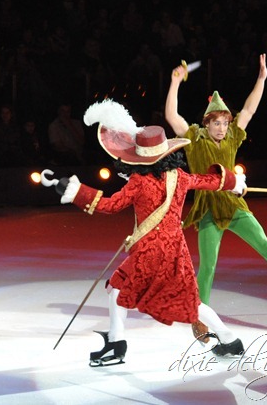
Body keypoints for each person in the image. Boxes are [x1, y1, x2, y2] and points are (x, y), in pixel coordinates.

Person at [43, 99, 247, 366]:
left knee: (121, 289)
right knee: (182, 299)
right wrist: (234, 183)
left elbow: (109, 206)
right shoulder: (180, 176)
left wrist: (74, 191)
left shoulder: (138, 182)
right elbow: (208, 180)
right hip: (175, 251)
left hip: (149, 253)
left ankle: (117, 344)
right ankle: (229, 339)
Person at [164, 54, 267, 339]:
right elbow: (171, 117)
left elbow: (249, 109)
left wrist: (261, 78)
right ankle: (199, 318)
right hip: (208, 209)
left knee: (265, 245)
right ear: (207, 123)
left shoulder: (231, 138)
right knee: (208, 267)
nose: (222, 128)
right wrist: (175, 82)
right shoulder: (194, 139)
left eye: (225, 123)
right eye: (217, 123)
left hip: (234, 205)